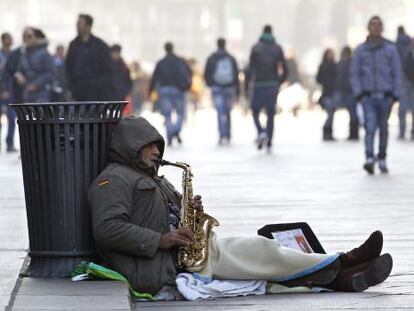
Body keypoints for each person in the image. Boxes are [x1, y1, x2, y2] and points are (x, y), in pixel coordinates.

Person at [88, 115, 393, 297]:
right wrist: (162, 239)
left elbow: (170, 214)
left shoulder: (153, 177)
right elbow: (107, 229)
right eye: (150, 146)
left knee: (262, 273)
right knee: (264, 251)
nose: (157, 152)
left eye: (158, 146)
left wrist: (190, 211)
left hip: (188, 254)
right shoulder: (113, 180)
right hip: (164, 265)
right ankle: (345, 259)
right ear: (131, 147)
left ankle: (343, 277)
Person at [351, 16, 401, 174]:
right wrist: (358, 93)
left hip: (386, 96)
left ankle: (382, 157)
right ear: (368, 28)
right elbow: (355, 73)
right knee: (370, 127)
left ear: (382, 28)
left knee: (383, 128)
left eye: (378, 25)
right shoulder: (361, 50)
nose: (375, 28)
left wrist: (396, 93)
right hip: (368, 96)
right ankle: (369, 158)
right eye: (372, 25)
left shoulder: (390, 49)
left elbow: (396, 72)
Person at [247, 25, 288, 153]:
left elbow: (250, 68)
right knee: (271, 113)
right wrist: (279, 80)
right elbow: (284, 67)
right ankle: (269, 139)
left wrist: (248, 82)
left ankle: (261, 131)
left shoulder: (256, 48)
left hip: (259, 84)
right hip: (272, 84)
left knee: (255, 111)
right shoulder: (277, 48)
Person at [148, 42, 192, 146]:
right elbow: (189, 73)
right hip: (178, 90)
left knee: (167, 115)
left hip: (164, 90)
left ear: (165, 49)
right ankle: (175, 130)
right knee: (181, 113)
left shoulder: (161, 62)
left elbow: (155, 77)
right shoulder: (180, 61)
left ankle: (170, 135)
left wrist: (151, 90)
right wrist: (187, 86)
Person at [66, 14, 114, 101]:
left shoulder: (100, 46)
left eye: (80, 24)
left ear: (88, 26)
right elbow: (68, 67)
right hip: (77, 93)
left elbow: (107, 70)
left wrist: (97, 84)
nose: (77, 26)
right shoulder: (73, 45)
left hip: (96, 94)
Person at [204, 38, 240, 145]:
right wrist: (237, 89)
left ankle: (221, 134)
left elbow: (206, 72)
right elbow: (236, 73)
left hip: (217, 87)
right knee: (228, 111)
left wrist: (210, 84)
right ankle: (228, 134)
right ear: (225, 44)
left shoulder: (212, 57)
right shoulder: (231, 58)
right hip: (229, 87)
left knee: (219, 111)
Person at [336, 46, 359, 140]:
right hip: (352, 89)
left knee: (352, 112)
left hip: (347, 89)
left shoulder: (343, 63)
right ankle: (354, 133)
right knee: (353, 112)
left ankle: (353, 133)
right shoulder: (353, 62)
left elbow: (340, 77)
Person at [396, 26, 414, 140]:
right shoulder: (407, 45)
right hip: (408, 79)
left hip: (403, 79)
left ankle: (402, 131)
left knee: (402, 107)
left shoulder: (398, 45)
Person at [0, 32, 17, 152]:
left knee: (12, 118)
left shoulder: (14, 55)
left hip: (11, 92)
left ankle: (9, 143)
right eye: (9, 38)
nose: (11, 40)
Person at [316, 48, 337, 141]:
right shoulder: (323, 66)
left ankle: (329, 133)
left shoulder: (335, 65)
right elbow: (318, 79)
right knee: (330, 113)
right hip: (326, 93)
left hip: (333, 92)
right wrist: (326, 82)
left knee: (332, 113)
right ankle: (326, 131)